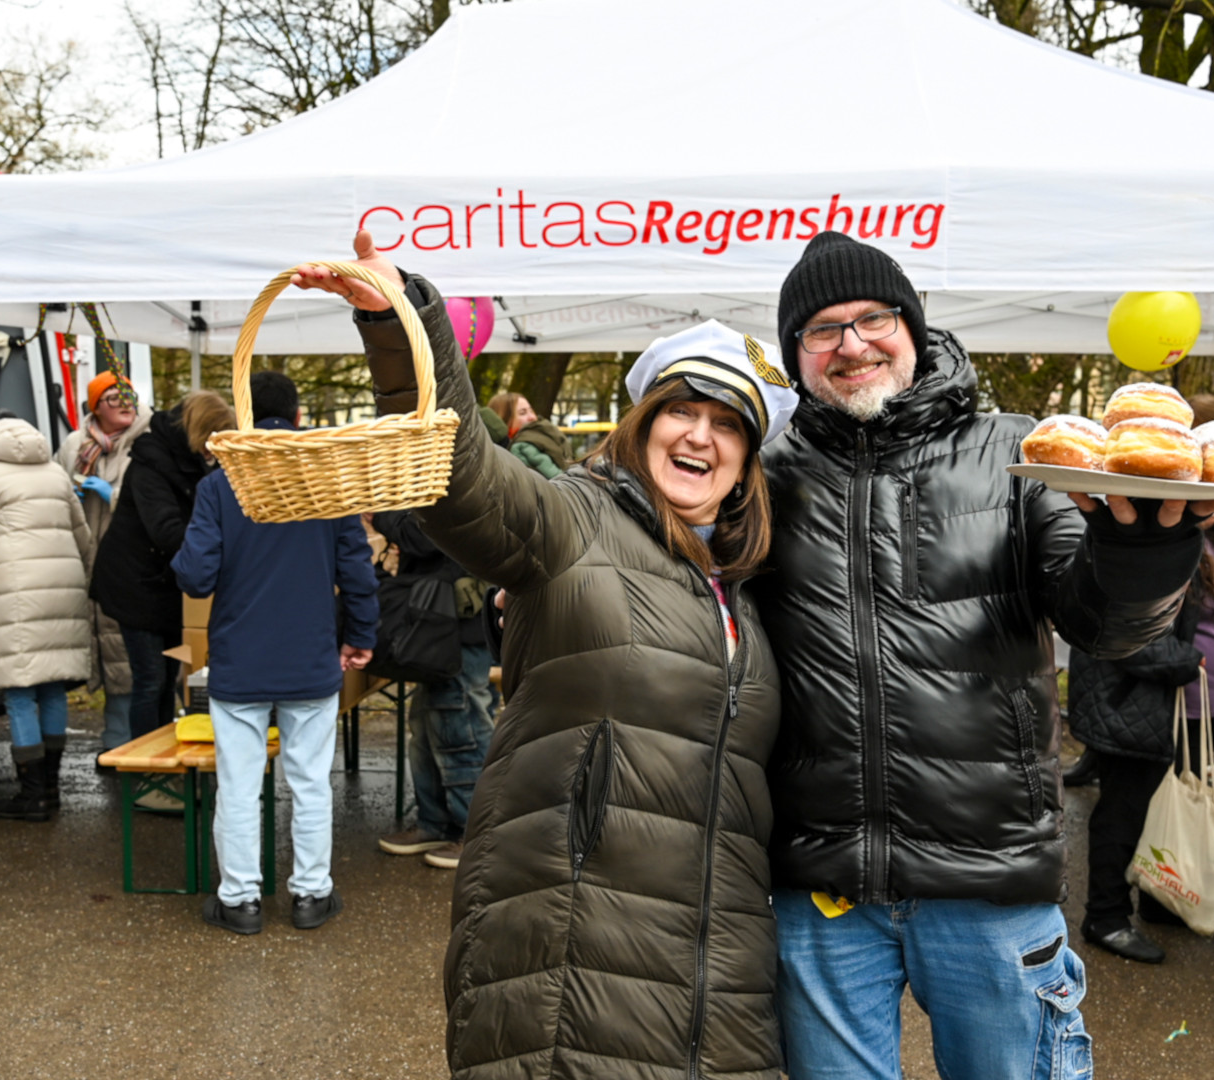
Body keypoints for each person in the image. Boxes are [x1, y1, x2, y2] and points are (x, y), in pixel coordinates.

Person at [296, 232, 798, 1080]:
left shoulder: (746, 588)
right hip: (571, 947)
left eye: (727, 426)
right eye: (682, 411)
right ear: (642, 426)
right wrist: (404, 325)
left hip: (719, 972)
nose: (700, 438)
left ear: (749, 462)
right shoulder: (575, 520)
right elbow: (463, 478)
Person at [757, 231, 1214, 1079]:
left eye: (873, 318)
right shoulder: (763, 475)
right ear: (795, 355)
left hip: (988, 876)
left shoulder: (1019, 453)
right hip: (820, 885)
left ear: (915, 327)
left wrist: (1147, 549)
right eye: (821, 329)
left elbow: (1108, 626)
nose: (852, 343)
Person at [172, 370, 378, 933]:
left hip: (239, 661)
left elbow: (194, 577)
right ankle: (312, 896)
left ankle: (239, 902)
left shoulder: (220, 486)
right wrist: (360, 636)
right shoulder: (326, 483)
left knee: (238, 788)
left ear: (244, 414)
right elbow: (357, 573)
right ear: (296, 417)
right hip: (311, 659)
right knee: (311, 783)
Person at [1069, 497, 1214, 963]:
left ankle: (1158, 896)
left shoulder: (1192, 541)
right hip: (1133, 703)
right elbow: (1122, 638)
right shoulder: (1137, 546)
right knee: (1122, 813)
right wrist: (1187, 662)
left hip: (1173, 707)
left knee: (1163, 808)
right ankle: (1105, 917)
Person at [92, 389, 235, 769]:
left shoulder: (190, 462)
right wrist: (220, 549)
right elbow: (167, 530)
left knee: (169, 675)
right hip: (134, 584)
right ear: (201, 432)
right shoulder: (151, 463)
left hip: (166, 585)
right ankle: (143, 768)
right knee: (150, 678)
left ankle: (162, 761)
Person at [0, 417, 94, 822]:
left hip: (17, 588)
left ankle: (32, 794)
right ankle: (51, 789)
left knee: (21, 691)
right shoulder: (55, 472)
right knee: (53, 686)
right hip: (65, 581)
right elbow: (83, 535)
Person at [369, 508, 496, 870]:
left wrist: (379, 515)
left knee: (462, 728)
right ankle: (435, 823)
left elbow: (426, 533)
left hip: (457, 626)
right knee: (428, 728)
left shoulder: (453, 472)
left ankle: (476, 834)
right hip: (445, 624)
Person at [56, 372, 152, 761]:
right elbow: (59, 493)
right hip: (88, 562)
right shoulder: (74, 446)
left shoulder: (146, 443)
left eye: (128, 395)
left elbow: (150, 504)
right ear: (95, 406)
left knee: (130, 659)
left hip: (131, 566)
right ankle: (115, 740)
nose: (124, 403)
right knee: (105, 653)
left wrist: (111, 495)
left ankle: (130, 743)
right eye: (113, 398)